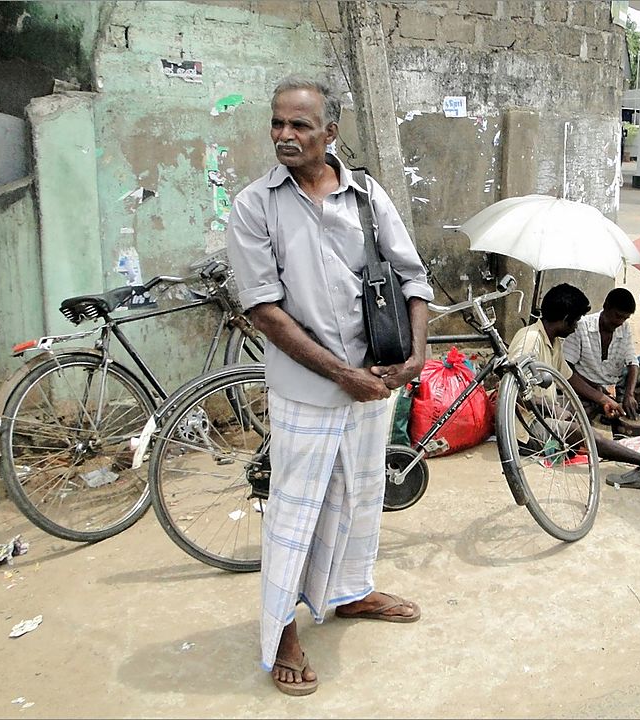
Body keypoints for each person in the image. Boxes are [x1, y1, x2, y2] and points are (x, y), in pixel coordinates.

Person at [226, 76, 433, 695]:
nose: (285, 136)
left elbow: (412, 277)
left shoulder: (368, 196)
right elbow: (264, 308)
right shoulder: (254, 205)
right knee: (296, 510)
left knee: (361, 493)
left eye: (300, 126)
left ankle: (350, 591)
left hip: (375, 379)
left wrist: (417, 357)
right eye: (277, 124)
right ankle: (282, 630)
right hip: (309, 389)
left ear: (330, 133)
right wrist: (341, 373)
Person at [507, 284, 640, 474]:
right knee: (583, 432)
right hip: (525, 427)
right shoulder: (530, 340)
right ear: (565, 319)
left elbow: (571, 379)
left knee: (584, 408)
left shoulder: (552, 341)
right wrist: (552, 408)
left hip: (542, 413)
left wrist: (604, 400)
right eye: (576, 320)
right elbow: (512, 390)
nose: (577, 325)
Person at [562, 288, 640, 419]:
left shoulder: (624, 327)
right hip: (584, 390)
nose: (620, 322)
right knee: (577, 416)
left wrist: (629, 395)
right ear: (605, 307)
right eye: (618, 316)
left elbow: (633, 363)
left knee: (634, 406)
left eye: (625, 318)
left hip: (610, 393)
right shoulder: (581, 326)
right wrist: (596, 389)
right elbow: (567, 369)